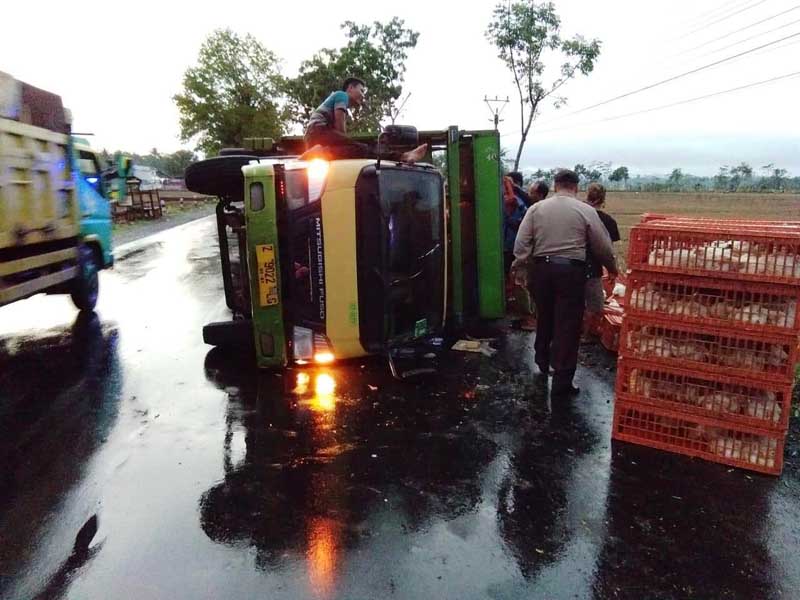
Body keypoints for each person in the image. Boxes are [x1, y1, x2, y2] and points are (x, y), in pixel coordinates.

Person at [512, 169, 618, 397]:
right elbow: (603, 247)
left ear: (555, 185)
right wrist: (612, 268)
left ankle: (541, 359)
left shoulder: (536, 209)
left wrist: (520, 267)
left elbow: (521, 243)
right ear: (575, 187)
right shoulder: (586, 210)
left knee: (545, 316)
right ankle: (562, 380)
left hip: (542, 270)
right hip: (571, 273)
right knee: (567, 325)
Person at [303, 77, 427, 162]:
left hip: (314, 136)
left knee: (350, 151)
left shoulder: (338, 99)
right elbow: (339, 127)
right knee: (362, 149)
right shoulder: (342, 95)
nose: (363, 95)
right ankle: (404, 156)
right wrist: (349, 142)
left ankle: (317, 153)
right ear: (351, 88)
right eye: (361, 90)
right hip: (319, 132)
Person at [583, 183, 620, 337]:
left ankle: (570, 332)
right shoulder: (608, 221)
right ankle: (586, 334)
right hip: (592, 269)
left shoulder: (578, 215)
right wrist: (613, 270)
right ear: (603, 199)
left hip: (570, 265)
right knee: (595, 305)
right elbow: (608, 250)